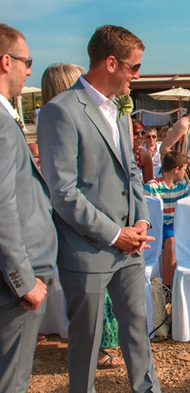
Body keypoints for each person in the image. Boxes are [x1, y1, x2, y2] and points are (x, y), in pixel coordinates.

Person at [37, 24, 180, 393]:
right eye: (133, 67)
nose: (137, 75)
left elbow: (132, 171)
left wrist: (142, 224)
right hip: (88, 248)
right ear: (111, 62)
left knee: (137, 325)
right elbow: (63, 191)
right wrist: (115, 234)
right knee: (86, 338)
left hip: (131, 242)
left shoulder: (118, 112)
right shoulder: (59, 111)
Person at [41, 62, 126, 371]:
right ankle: (100, 348)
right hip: (86, 220)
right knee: (93, 291)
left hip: (80, 220)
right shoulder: (66, 118)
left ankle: (98, 343)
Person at [0, 23, 57, 393]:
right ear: (6, 62)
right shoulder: (2, 125)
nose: (29, 72)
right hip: (15, 282)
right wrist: (24, 280)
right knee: (10, 380)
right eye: (26, 62)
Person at [144, 151, 189, 287]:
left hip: (175, 224)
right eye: (184, 170)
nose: (184, 173)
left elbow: (186, 211)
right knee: (171, 240)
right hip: (156, 226)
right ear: (176, 169)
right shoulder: (151, 187)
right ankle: (167, 286)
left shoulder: (182, 186)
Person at [131, 119, 154, 184]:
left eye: (142, 132)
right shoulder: (119, 152)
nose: (140, 136)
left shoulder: (144, 155)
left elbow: (149, 184)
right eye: (136, 133)